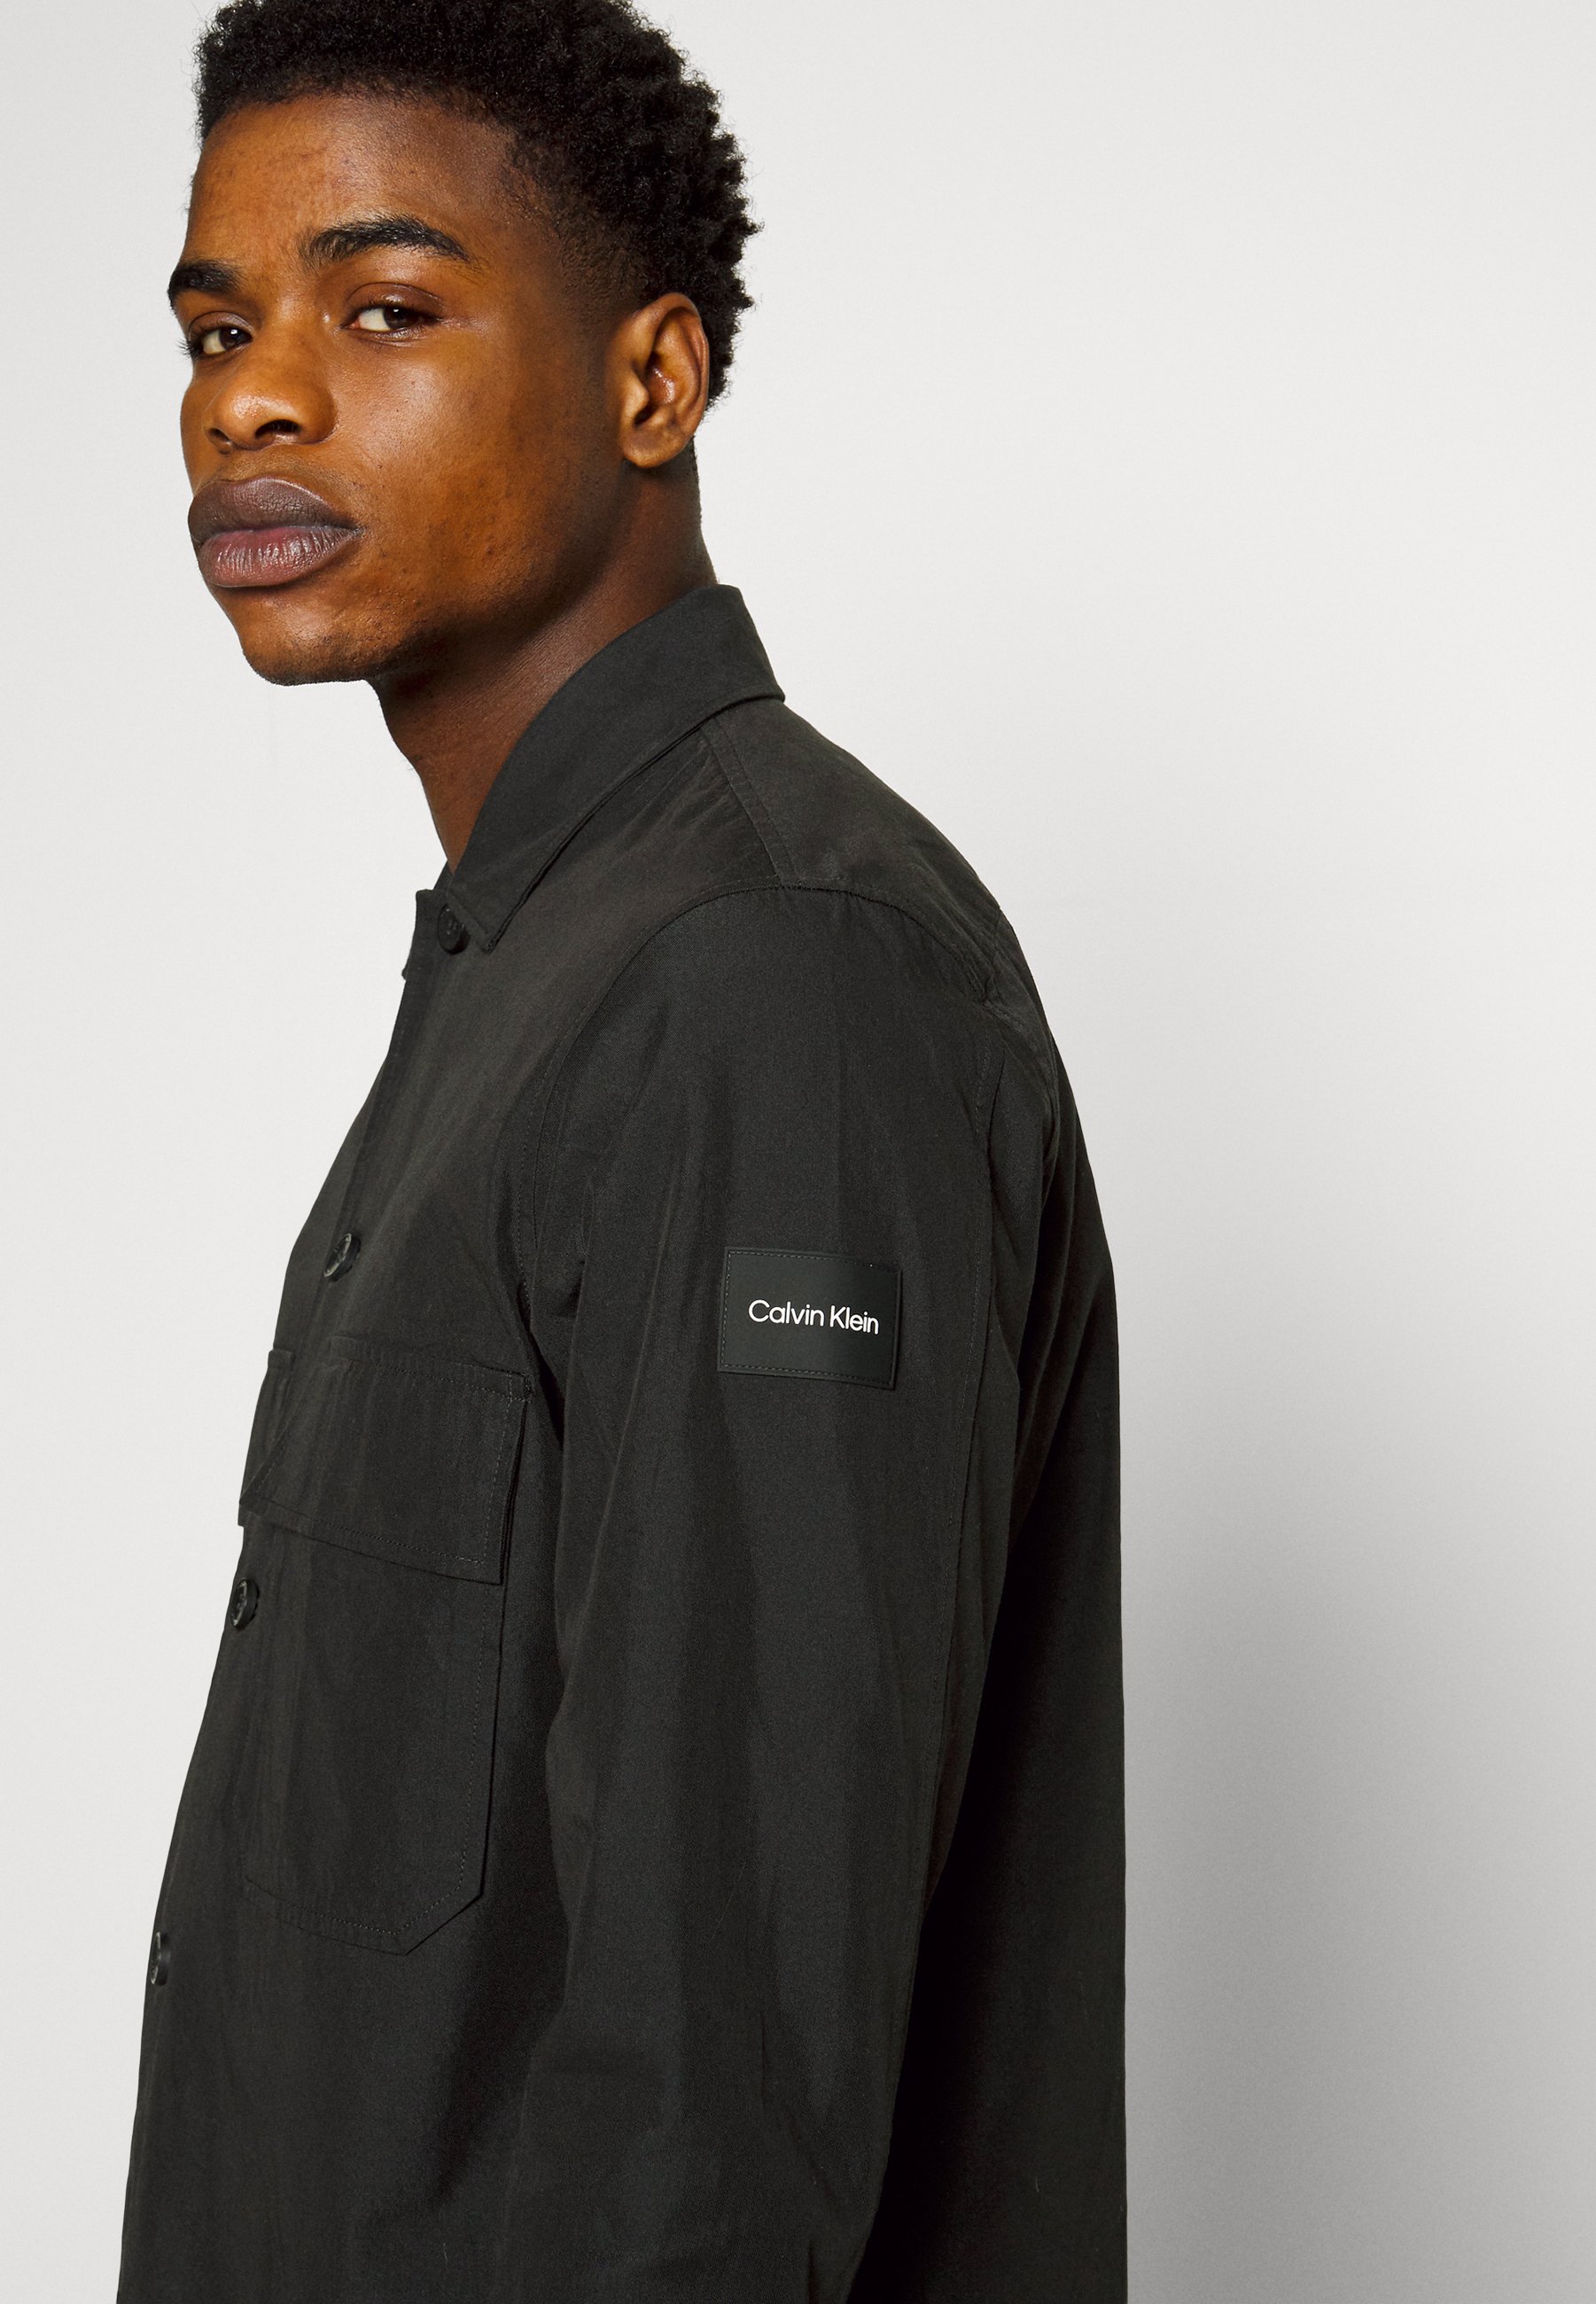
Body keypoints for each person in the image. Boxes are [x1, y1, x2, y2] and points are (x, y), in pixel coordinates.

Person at [118, 3, 1125, 2297]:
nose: (250, 400)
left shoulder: (772, 982)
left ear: (652, 380)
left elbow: (720, 2093)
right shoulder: (545, 960)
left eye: (386, 309)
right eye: (215, 327)